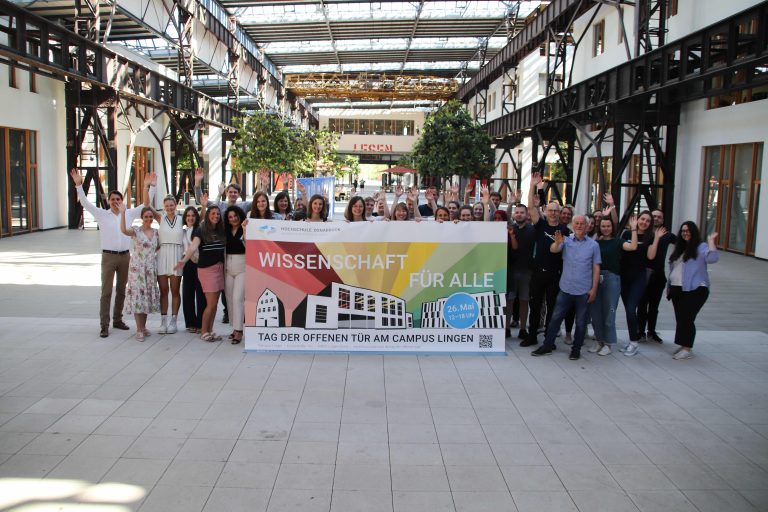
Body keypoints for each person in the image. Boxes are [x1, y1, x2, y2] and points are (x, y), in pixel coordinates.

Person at [69, 168, 155, 338]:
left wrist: (150, 186)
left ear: (122, 201)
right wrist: (79, 185)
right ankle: (104, 324)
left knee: (122, 290)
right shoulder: (102, 214)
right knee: (106, 291)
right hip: (108, 257)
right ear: (109, 201)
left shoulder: (128, 213)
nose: (115, 201)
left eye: (118, 199)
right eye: (113, 199)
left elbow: (146, 205)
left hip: (125, 256)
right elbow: (85, 203)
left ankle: (117, 319)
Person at [531, 215, 601, 360]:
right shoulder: (566, 240)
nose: (579, 226)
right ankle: (547, 345)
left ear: (588, 226)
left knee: (581, 323)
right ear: (573, 225)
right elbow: (554, 250)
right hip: (566, 288)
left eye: (582, 223)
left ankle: (576, 349)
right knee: (555, 319)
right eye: (577, 223)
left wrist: (594, 289)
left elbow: (596, 268)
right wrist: (557, 243)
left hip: (584, 290)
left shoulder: (593, 245)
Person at [522, 172, 570, 348]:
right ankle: (532, 335)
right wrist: (532, 185)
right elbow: (530, 207)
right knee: (535, 307)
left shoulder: (565, 230)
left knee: (552, 308)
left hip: (555, 275)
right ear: (546, 211)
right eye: (550, 210)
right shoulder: (540, 224)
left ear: (559, 213)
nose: (553, 213)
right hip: (538, 273)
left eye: (556, 211)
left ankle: (550, 338)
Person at [667, 223, 718, 360]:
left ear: (694, 232)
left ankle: (686, 348)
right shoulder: (679, 248)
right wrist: (669, 288)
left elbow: (712, 258)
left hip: (696, 289)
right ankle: (684, 344)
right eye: (683, 231)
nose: (685, 233)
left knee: (687, 318)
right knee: (681, 318)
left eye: (688, 231)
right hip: (677, 288)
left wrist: (711, 242)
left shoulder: (700, 247)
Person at [175, 205, 226, 342]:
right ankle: (204, 331)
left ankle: (210, 330)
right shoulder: (201, 230)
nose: (216, 216)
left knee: (214, 304)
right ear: (208, 215)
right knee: (210, 304)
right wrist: (184, 261)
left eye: (218, 214)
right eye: (213, 213)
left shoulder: (221, 230)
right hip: (207, 270)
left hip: (219, 270)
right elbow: (192, 247)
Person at [589, 215, 638, 356]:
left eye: (608, 226)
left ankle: (608, 343)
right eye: (603, 226)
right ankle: (599, 341)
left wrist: (634, 229)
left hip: (612, 279)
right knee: (595, 312)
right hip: (596, 277)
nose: (605, 228)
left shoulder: (618, 242)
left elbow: (633, 246)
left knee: (609, 312)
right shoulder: (595, 243)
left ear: (612, 227)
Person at [620, 211, 666, 356]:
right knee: (629, 310)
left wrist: (657, 238)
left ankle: (634, 343)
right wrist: (633, 230)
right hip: (624, 277)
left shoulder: (651, 237)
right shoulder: (627, 234)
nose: (644, 222)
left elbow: (651, 256)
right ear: (637, 219)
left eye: (647, 221)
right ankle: (631, 340)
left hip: (638, 277)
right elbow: (627, 249)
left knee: (631, 309)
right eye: (642, 219)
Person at [143, 174, 183, 334]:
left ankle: (174, 321)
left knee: (175, 290)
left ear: (176, 205)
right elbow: (146, 204)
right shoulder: (160, 218)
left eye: (172, 205)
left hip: (176, 254)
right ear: (164, 206)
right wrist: (147, 186)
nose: (169, 207)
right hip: (163, 255)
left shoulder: (182, 219)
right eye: (167, 205)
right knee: (164, 290)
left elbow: (198, 220)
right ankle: (163, 321)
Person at [119, 204, 160, 342]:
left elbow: (158, 248)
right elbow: (124, 230)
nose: (148, 219)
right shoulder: (136, 230)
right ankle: (139, 329)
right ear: (142, 218)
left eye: (150, 216)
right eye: (146, 217)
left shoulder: (156, 233)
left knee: (146, 298)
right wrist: (123, 213)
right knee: (138, 298)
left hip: (149, 270)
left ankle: (143, 326)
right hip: (137, 270)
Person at [638, 209, 677, 343]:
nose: (656, 218)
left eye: (659, 217)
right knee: (642, 305)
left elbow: (682, 242)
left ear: (663, 220)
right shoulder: (644, 234)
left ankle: (651, 331)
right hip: (643, 274)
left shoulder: (667, 235)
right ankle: (640, 331)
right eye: (654, 216)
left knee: (654, 307)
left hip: (658, 275)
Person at [507, 203, 535, 341]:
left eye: (521, 212)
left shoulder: (533, 230)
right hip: (511, 271)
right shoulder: (509, 229)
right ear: (513, 214)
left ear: (527, 214)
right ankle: (506, 329)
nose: (519, 214)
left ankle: (523, 329)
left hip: (527, 271)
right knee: (509, 301)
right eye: (516, 212)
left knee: (524, 301)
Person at [224, 206, 247, 344]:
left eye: (235, 216)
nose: (233, 219)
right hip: (228, 266)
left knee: (238, 298)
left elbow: (248, 243)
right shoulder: (226, 231)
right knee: (229, 298)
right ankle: (234, 327)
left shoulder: (245, 227)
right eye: (230, 217)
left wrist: (244, 229)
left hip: (242, 266)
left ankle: (239, 330)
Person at [181, 206, 205, 333]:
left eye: (193, 216)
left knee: (200, 294)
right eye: (188, 215)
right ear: (185, 217)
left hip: (198, 263)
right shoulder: (183, 231)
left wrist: (204, 206)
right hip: (187, 264)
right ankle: (190, 322)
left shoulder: (199, 230)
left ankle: (201, 323)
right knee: (187, 294)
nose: (190, 218)